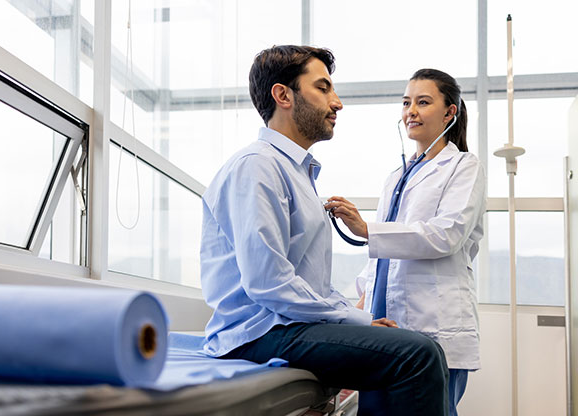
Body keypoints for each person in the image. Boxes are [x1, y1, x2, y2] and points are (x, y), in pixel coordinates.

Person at [199, 45, 449, 416]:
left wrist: (356, 317)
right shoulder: (257, 167)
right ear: (283, 95)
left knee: (420, 348)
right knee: (417, 355)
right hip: (258, 332)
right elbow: (269, 283)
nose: (337, 102)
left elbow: (309, 283)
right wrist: (355, 319)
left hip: (285, 324)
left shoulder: (297, 173)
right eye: (323, 88)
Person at [325, 68, 486, 416]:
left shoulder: (463, 166)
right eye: (406, 102)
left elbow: (447, 235)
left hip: (435, 324)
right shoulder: (395, 177)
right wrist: (355, 318)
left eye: (423, 102)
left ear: (449, 112)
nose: (411, 110)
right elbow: (381, 262)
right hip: (385, 327)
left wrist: (367, 229)